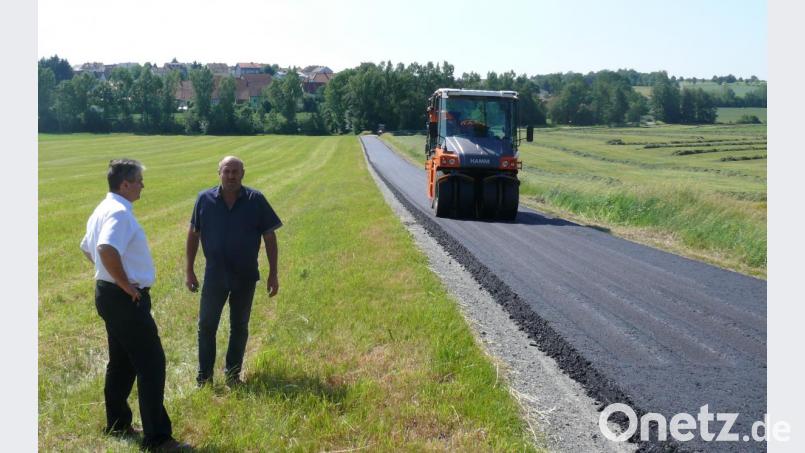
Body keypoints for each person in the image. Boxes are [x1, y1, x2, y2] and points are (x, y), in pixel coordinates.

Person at [80, 159, 189, 451]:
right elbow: (104, 248)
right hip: (123, 298)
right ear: (125, 184)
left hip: (109, 295)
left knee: (122, 361)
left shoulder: (103, 208)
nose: (143, 185)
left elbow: (86, 247)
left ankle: (117, 423)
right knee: (151, 363)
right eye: (139, 180)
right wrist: (125, 284)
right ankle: (158, 438)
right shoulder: (118, 213)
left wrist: (110, 277)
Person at [186, 156, 282, 387]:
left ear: (243, 174)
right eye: (227, 171)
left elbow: (270, 236)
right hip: (214, 276)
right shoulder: (204, 200)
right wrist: (189, 270)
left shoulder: (256, 200)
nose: (231, 176)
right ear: (219, 172)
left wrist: (273, 273)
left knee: (239, 327)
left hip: (245, 275)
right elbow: (193, 234)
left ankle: (232, 376)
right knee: (207, 326)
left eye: (235, 172)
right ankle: (204, 378)